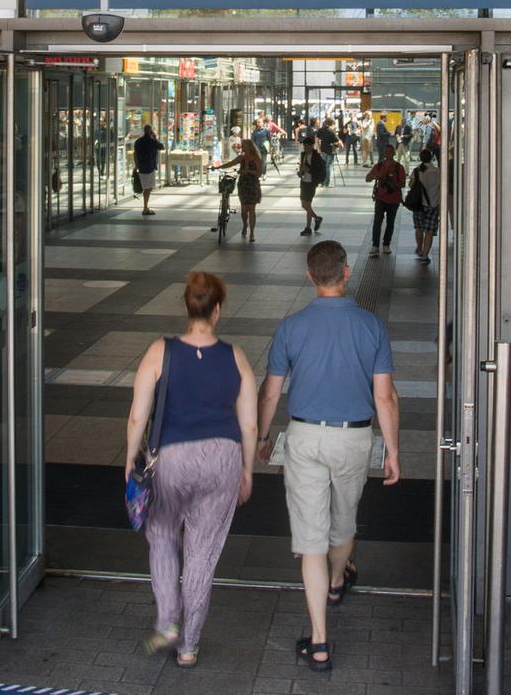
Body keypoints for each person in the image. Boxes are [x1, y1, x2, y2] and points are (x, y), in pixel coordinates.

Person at [253, 240, 401, 674]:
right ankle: (338, 580)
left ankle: (319, 642)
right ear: (347, 273)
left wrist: (264, 436)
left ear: (309, 276)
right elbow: (385, 396)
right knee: (344, 523)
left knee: (311, 540)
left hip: (303, 438)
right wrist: (392, 451)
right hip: (354, 438)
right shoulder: (371, 326)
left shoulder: (291, 327)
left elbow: (271, 390)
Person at [127, 272, 258, 670]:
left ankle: (167, 621)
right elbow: (250, 424)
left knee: (163, 536)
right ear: (217, 311)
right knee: (202, 554)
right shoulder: (236, 357)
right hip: (223, 459)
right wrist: (247, 471)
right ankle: (188, 646)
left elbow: (138, 414)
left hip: (171, 458)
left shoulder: (159, 351)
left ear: (187, 307)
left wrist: (130, 460)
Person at [213, 136, 265, 242]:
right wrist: (218, 167)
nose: (242, 147)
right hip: (243, 184)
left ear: (249, 147)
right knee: (244, 209)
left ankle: (252, 233)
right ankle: (245, 225)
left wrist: (249, 171)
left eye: (244, 145)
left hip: (253, 184)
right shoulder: (242, 157)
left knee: (252, 209)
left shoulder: (256, 158)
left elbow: (259, 173)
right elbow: (231, 163)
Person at [364, 145, 406, 256]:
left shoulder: (399, 167)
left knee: (390, 223)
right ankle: (375, 246)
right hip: (380, 198)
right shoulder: (378, 166)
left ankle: (386, 244)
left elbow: (403, 183)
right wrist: (376, 177)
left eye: (390, 152)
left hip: (394, 199)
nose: (388, 154)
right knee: (377, 222)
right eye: (386, 152)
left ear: (394, 153)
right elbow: (367, 178)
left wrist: (391, 184)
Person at [408, 149, 442, 263]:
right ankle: (425, 255)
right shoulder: (437, 171)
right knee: (429, 231)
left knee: (419, 228)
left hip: (419, 204)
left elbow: (411, 184)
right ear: (431, 158)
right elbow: (442, 188)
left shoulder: (417, 171)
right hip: (433, 204)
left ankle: (419, 247)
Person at [297, 135, 327, 237]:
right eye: (304, 146)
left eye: (306, 146)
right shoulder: (303, 154)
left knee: (307, 205)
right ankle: (316, 219)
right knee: (304, 204)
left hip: (311, 183)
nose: (305, 148)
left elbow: (317, 170)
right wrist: (301, 172)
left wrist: (307, 170)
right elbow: (302, 167)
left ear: (311, 146)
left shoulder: (316, 156)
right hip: (304, 181)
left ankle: (308, 227)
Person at [134, 124, 165, 216]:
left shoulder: (138, 141)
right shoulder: (152, 141)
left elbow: (134, 154)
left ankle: (145, 207)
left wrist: (136, 165)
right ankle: (145, 208)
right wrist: (155, 138)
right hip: (150, 167)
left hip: (141, 167)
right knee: (148, 188)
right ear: (150, 131)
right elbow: (162, 147)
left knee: (147, 188)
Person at [315, 118, 339, 186]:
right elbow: (338, 141)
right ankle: (327, 183)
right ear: (332, 124)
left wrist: (318, 148)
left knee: (324, 166)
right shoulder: (332, 131)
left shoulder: (320, 130)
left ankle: (322, 182)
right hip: (331, 150)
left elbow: (316, 139)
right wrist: (340, 145)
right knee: (329, 166)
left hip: (323, 150)